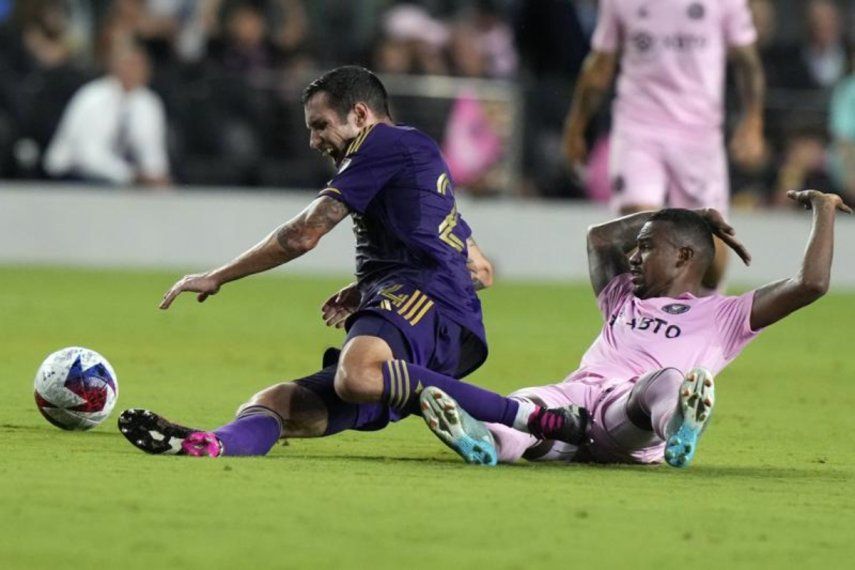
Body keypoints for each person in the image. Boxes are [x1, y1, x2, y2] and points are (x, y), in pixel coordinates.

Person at [118, 66, 585, 461]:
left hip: (421, 300)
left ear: (360, 115)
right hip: (429, 310)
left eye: (320, 126)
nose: (313, 141)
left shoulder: (383, 143)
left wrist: (219, 275)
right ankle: (211, 443)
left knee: (357, 375)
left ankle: (531, 417)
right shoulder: (415, 163)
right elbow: (480, 269)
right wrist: (368, 290)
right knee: (278, 403)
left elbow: (303, 234)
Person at [420, 190, 850, 468]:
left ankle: (680, 424)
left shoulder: (727, 315)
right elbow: (599, 237)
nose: (633, 257)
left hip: (629, 415)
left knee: (664, 382)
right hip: (575, 403)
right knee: (527, 405)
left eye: (646, 248)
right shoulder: (622, 294)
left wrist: (824, 209)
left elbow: (810, 283)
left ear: (684, 256)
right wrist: (689, 214)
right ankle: (482, 440)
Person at [562, 0, 766, 291]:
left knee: (711, 262)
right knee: (640, 227)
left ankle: (702, 320)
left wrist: (753, 122)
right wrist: (576, 125)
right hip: (638, 127)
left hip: (699, 135)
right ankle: (639, 323)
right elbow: (601, 62)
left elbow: (746, 60)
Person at [43, 41, 171, 186]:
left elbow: (152, 150)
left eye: (140, 65)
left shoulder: (148, 103)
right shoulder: (93, 98)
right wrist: (131, 176)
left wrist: (156, 176)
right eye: (130, 64)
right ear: (116, 67)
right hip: (72, 174)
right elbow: (89, 156)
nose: (135, 71)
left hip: (118, 178)